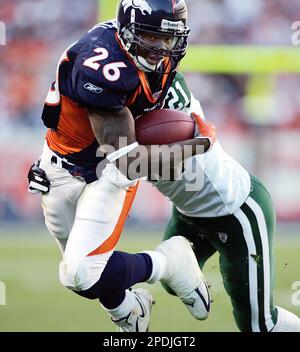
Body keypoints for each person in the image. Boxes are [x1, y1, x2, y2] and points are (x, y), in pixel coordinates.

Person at [27, 0, 215, 332]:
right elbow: (131, 160)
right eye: (150, 37)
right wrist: (200, 143)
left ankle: (164, 267)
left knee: (81, 275)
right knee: (90, 275)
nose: (159, 49)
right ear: (127, 30)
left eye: (167, 39)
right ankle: (135, 302)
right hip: (63, 169)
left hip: (107, 175)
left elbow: (124, 168)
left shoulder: (158, 63)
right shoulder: (102, 68)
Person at [150, 73, 300, 332]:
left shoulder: (157, 83)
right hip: (188, 210)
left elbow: (132, 163)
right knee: (172, 280)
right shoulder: (120, 93)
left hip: (236, 211)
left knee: (260, 326)